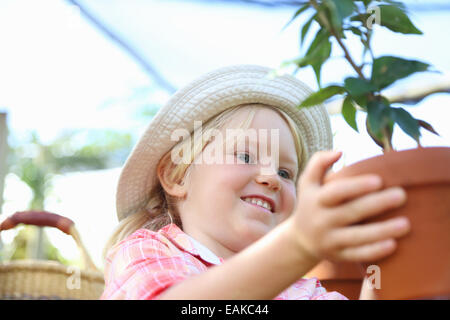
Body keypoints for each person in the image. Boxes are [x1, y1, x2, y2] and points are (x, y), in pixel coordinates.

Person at [100, 65, 410, 300]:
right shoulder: (146, 253)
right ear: (176, 175)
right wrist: (299, 243)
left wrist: (383, 267)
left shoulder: (303, 291)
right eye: (246, 156)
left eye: (287, 173)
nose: (271, 177)